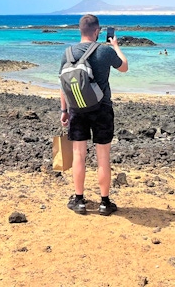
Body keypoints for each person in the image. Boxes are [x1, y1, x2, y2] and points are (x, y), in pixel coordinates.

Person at [60, 14, 128, 216]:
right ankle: (105, 203)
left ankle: (79, 200)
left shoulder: (68, 53)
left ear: (80, 30)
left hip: (76, 108)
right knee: (103, 157)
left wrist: (64, 111)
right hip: (102, 108)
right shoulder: (105, 51)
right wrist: (115, 45)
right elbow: (124, 67)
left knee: (79, 155)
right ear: (97, 31)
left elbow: (63, 85)